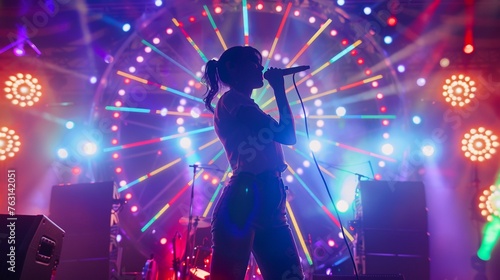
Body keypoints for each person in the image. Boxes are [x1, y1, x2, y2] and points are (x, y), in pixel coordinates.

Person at [202, 46, 304, 280]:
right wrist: (279, 87)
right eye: (254, 63)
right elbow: (286, 134)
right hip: (246, 197)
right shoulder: (232, 101)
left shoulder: (243, 103)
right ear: (233, 67)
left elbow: (287, 135)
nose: (261, 68)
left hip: (269, 197)